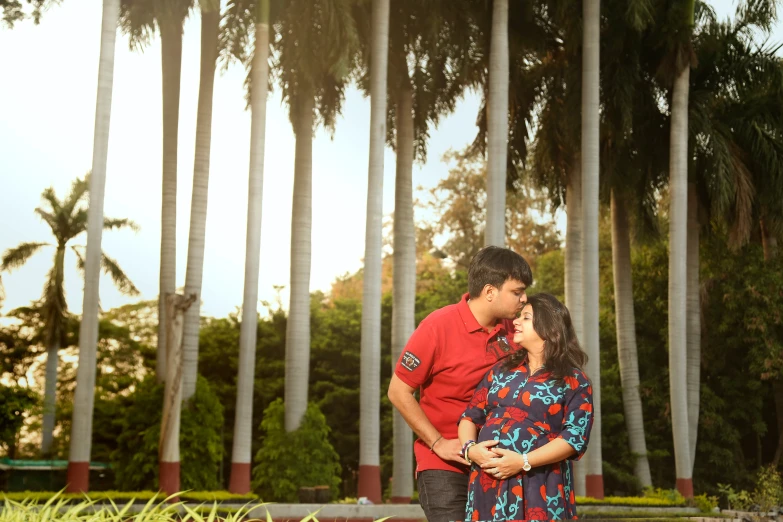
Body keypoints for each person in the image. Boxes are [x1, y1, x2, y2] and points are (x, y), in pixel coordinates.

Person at [388, 246, 533, 522]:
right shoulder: (437, 327)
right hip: (446, 466)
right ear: (490, 292)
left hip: (498, 465)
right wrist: (438, 442)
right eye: (517, 292)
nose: (524, 299)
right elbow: (398, 391)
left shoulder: (514, 331)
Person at [458, 292, 593, 521]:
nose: (516, 322)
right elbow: (470, 417)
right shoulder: (500, 370)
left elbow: (574, 438)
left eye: (526, 317)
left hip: (539, 486)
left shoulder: (574, 381)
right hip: (487, 483)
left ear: (550, 329)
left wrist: (522, 462)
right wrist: (471, 449)